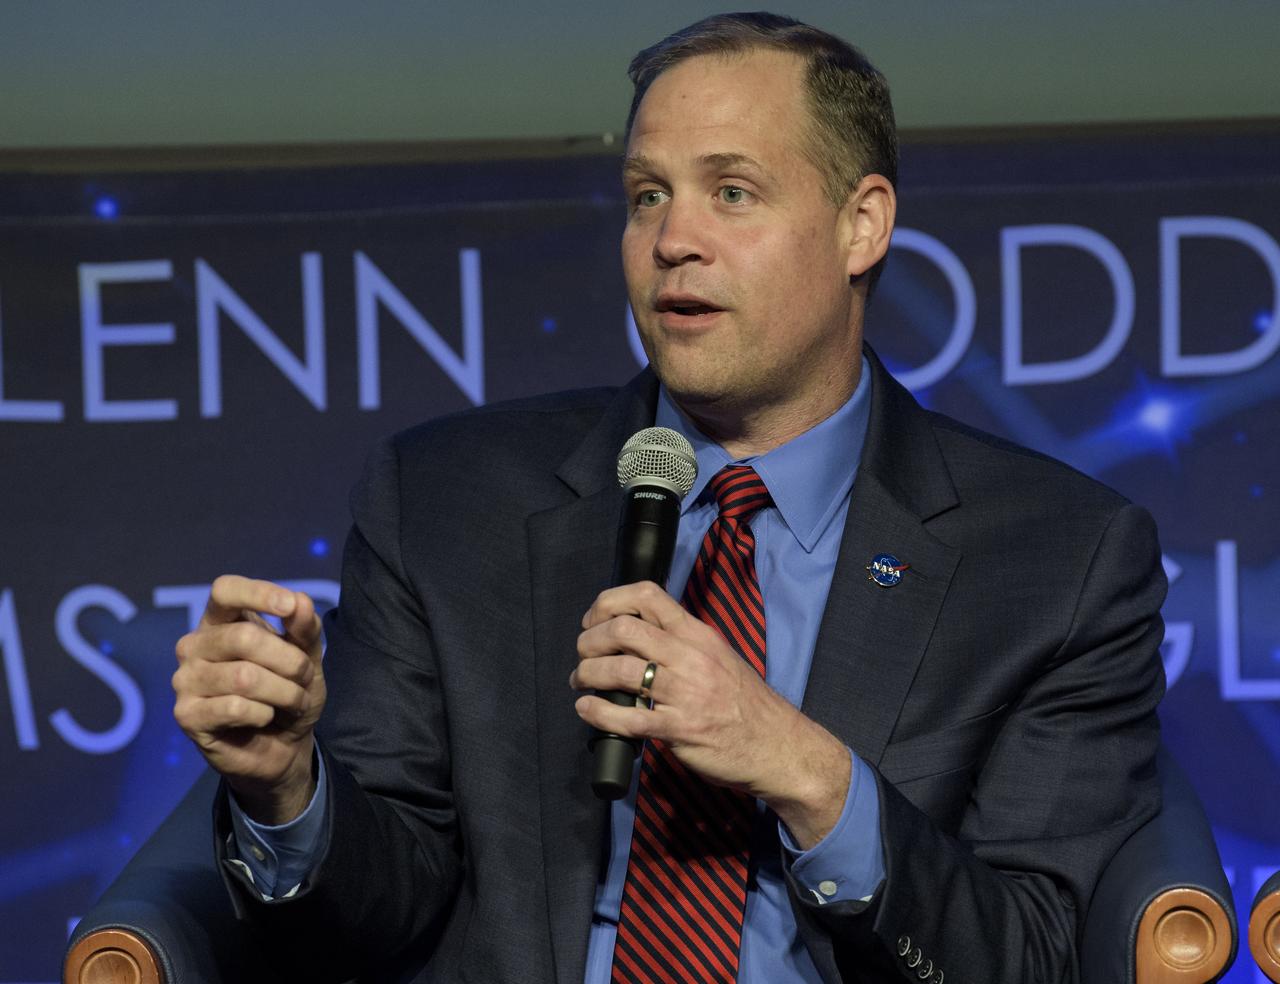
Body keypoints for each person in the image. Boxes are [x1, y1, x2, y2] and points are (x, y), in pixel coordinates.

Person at [172, 12, 1166, 983]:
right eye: (647, 194)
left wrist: (803, 769)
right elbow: (383, 916)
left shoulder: (1056, 558)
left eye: (730, 192)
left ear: (859, 224)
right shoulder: (441, 500)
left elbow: (1031, 956)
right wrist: (288, 787)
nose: (672, 239)